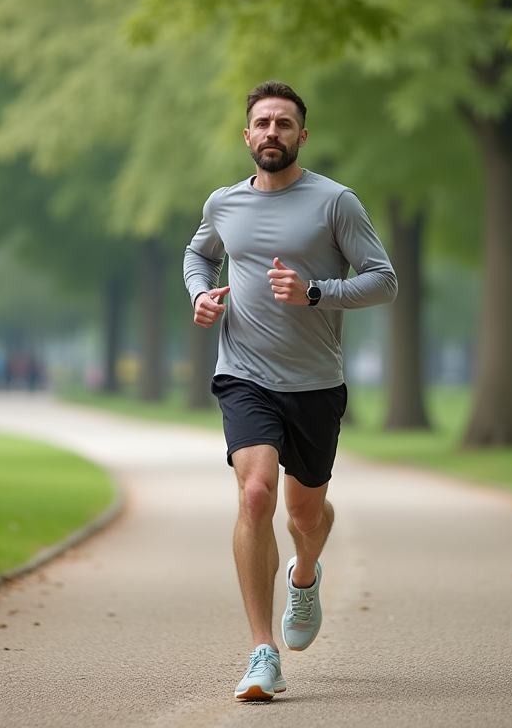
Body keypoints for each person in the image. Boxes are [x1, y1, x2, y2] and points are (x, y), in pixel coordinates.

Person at [183, 81, 398, 701]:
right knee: (255, 495)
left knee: (305, 515)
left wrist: (316, 293)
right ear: (246, 135)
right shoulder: (223, 204)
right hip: (243, 374)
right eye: (262, 123)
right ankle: (262, 652)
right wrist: (201, 294)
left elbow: (383, 280)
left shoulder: (335, 202)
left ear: (302, 135)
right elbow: (198, 256)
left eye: (283, 123)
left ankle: (305, 575)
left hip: (315, 384)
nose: (271, 132)